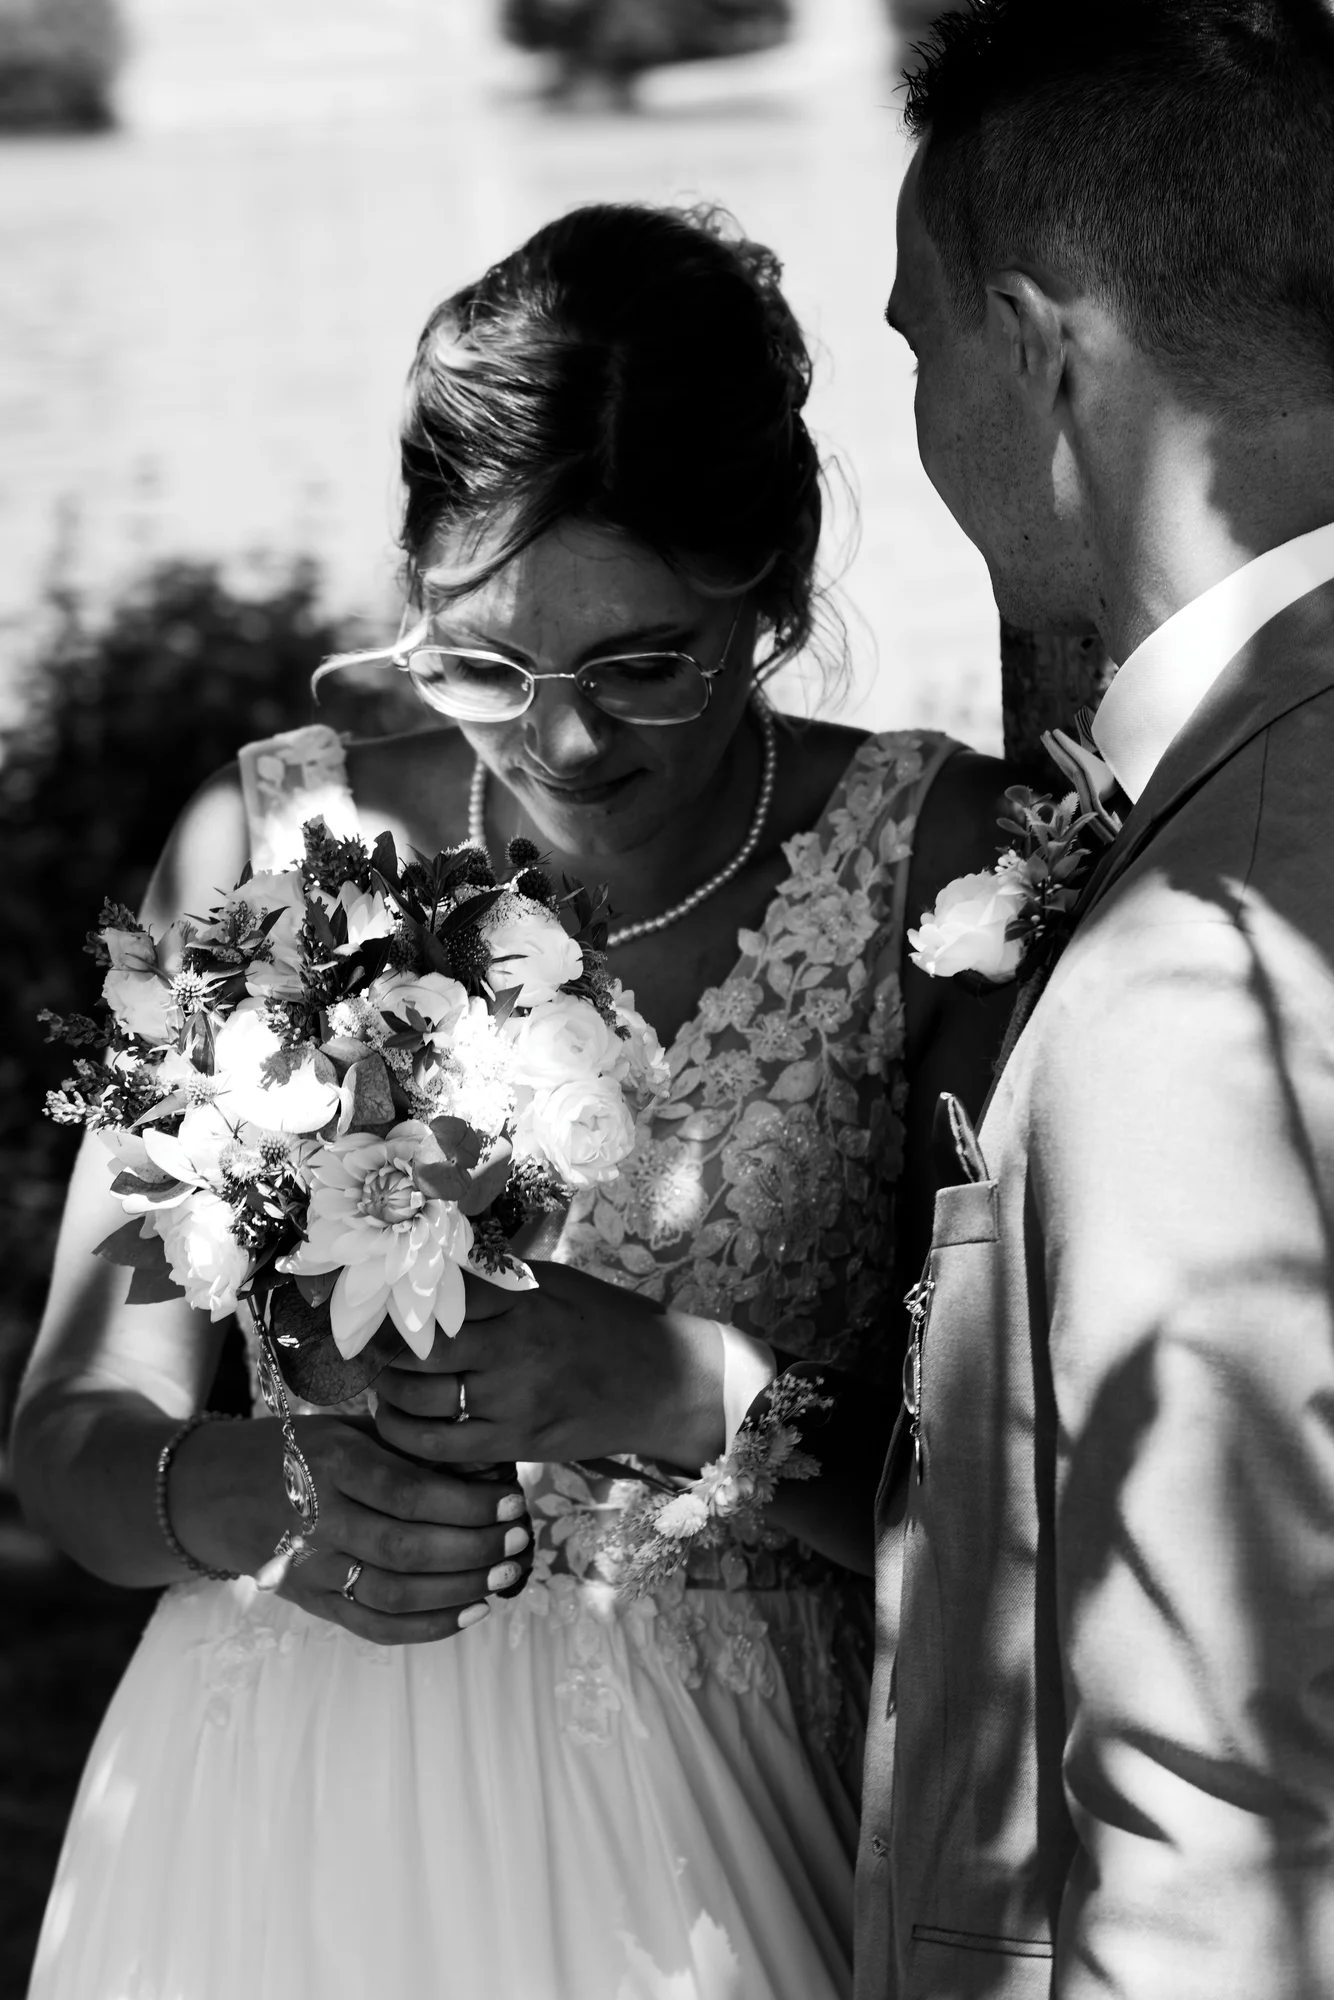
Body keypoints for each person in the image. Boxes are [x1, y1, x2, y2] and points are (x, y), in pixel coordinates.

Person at [12, 202, 1014, 2000]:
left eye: (642, 662)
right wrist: (245, 1495)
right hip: (272, 1833)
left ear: (775, 579)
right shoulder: (273, 848)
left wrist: (684, 1390)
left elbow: (1024, 1510)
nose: (561, 741)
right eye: (481, 662)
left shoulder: (937, 875)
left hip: (727, 1831)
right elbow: (73, 1436)